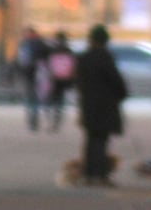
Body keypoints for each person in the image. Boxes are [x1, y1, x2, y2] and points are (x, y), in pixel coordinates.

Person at [74, 24, 127, 186]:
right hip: (105, 106)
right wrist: (121, 95)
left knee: (90, 140)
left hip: (88, 105)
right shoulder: (106, 58)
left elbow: (78, 82)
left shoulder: (83, 58)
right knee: (102, 141)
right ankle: (101, 175)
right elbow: (117, 82)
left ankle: (89, 174)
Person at [13, 26, 50, 132]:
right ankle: (33, 116)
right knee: (33, 96)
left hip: (30, 74)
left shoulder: (25, 44)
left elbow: (18, 60)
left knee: (30, 96)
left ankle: (32, 116)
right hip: (36, 74)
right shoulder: (40, 44)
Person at [43, 30, 76, 132]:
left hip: (54, 79)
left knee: (51, 101)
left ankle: (52, 121)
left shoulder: (53, 51)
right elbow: (73, 67)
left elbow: (48, 66)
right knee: (60, 101)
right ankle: (57, 121)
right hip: (65, 79)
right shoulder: (69, 51)